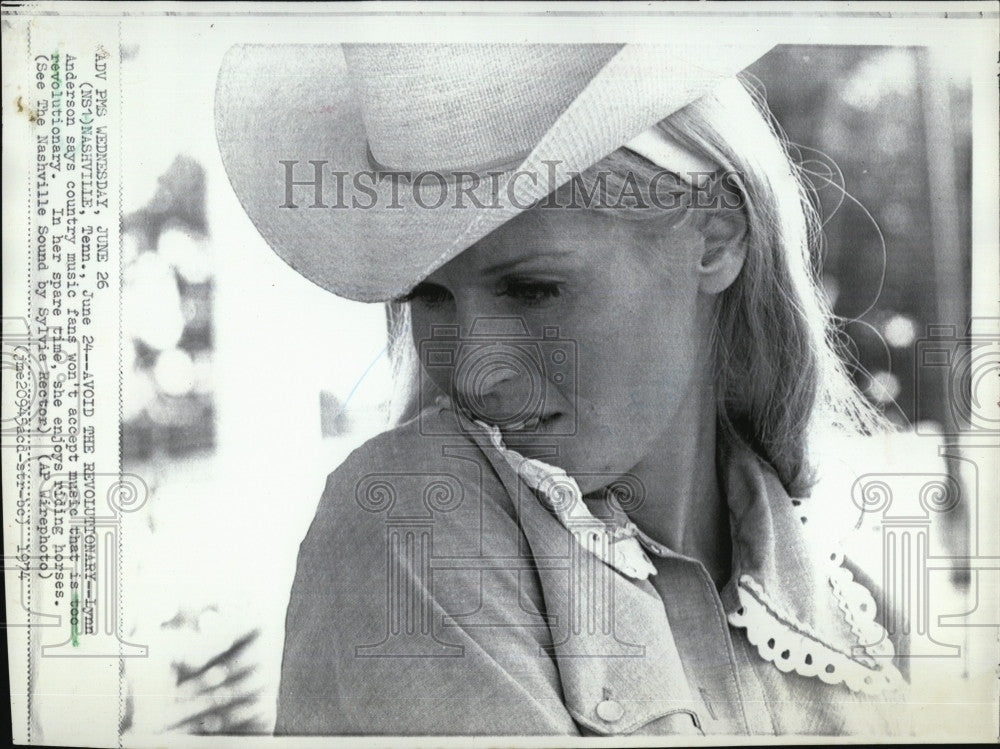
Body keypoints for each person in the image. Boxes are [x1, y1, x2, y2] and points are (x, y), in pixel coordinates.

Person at [216, 42, 911, 736]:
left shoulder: (858, 611)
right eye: (428, 297)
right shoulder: (414, 514)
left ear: (717, 239)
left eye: (532, 289)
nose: (474, 374)